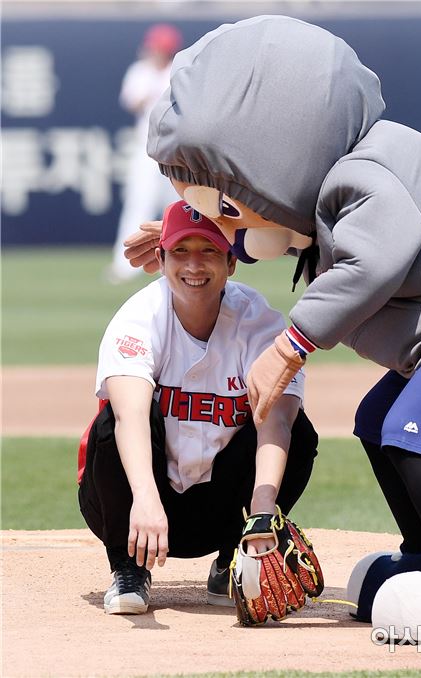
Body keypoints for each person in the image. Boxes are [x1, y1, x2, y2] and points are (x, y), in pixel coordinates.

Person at [124, 16, 421, 637]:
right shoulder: (335, 183)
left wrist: (291, 346)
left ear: (273, 158)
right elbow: (272, 236)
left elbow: (375, 257)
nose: (220, 224)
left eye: (220, 204)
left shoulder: (362, 173)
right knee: (379, 422)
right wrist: (176, 234)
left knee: (415, 432)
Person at [79, 199, 318, 614]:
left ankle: (232, 559)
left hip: (222, 508)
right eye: (180, 251)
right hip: (133, 506)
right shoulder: (138, 317)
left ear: (232, 261)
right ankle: (128, 568)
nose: (194, 265)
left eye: (208, 250)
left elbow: (277, 421)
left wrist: (262, 514)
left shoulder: (258, 323)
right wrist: (145, 498)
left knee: (299, 429)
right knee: (110, 424)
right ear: (161, 257)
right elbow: (128, 416)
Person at [105, 24, 182, 283]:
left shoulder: (178, 70)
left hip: (175, 152)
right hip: (147, 150)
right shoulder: (141, 71)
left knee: (180, 207)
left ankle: (181, 257)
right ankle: (126, 263)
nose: (156, 52)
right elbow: (132, 101)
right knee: (139, 203)